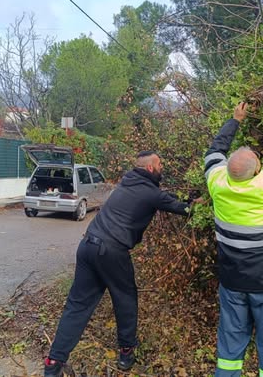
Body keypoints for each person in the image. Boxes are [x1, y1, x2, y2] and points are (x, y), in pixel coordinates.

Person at [44, 151, 197, 377]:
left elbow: (164, 197)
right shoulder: (150, 192)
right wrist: (198, 203)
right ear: (150, 169)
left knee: (77, 305)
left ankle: (54, 361)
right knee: (125, 299)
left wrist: (185, 197)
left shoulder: (127, 184)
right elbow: (183, 208)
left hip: (87, 245)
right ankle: (126, 351)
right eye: (160, 163)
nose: (162, 165)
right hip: (112, 251)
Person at [204, 93, 263, 377]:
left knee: (230, 348)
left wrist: (234, 120)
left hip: (233, 283)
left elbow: (214, 152)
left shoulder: (217, 183)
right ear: (258, 169)